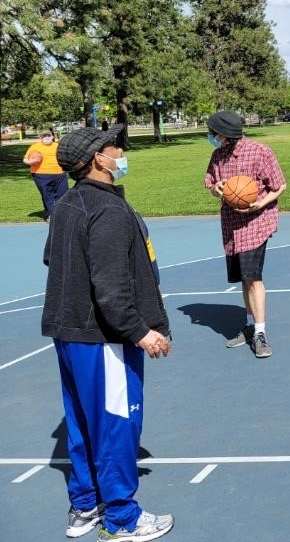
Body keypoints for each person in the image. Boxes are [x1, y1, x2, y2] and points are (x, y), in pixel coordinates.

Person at [41, 124, 174, 541]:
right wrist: (141, 331)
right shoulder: (109, 210)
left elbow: (53, 259)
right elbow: (111, 287)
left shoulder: (66, 205)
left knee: (81, 423)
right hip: (104, 339)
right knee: (117, 425)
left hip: (71, 334)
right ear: (99, 159)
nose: (121, 151)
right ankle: (122, 518)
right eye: (116, 146)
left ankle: (85, 507)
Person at [204, 110, 287, 359]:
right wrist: (218, 189)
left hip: (255, 223)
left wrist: (260, 204)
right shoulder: (217, 155)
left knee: (253, 278)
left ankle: (260, 332)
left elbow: (280, 185)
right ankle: (249, 325)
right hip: (231, 225)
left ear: (223, 134)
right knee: (243, 279)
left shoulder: (260, 151)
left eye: (212, 132)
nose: (210, 136)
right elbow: (210, 184)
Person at [22, 128, 68, 221]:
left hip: (60, 174)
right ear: (41, 137)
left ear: (52, 137)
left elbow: (65, 158)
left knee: (63, 195)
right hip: (41, 175)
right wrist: (30, 162)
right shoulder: (35, 147)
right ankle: (51, 214)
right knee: (47, 195)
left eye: (49, 135)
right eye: (44, 136)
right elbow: (25, 159)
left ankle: (61, 214)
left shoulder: (58, 146)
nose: (47, 137)